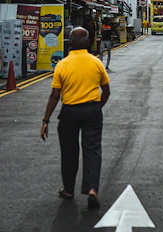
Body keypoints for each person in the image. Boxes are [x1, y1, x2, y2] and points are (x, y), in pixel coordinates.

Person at [40, 27, 110, 209]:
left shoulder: (62, 64)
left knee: (69, 151)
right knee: (92, 150)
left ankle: (69, 190)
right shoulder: (96, 63)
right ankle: (92, 189)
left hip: (70, 112)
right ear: (88, 43)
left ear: (69, 43)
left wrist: (45, 120)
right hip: (92, 110)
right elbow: (106, 91)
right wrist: (96, 108)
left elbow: (55, 96)